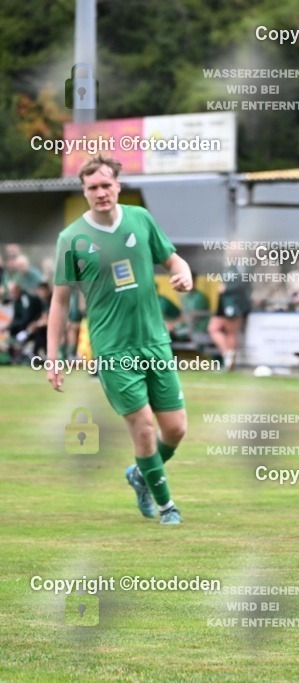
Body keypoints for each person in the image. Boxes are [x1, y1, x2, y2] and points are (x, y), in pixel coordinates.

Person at [47, 154, 192, 525]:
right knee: (143, 427)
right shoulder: (72, 239)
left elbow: (173, 260)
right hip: (112, 349)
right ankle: (166, 507)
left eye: (105, 185)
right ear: (84, 191)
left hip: (155, 342)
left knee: (175, 429)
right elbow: (60, 302)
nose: (100, 193)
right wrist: (53, 358)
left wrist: (184, 275)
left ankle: (140, 475)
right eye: (92, 187)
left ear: (118, 186)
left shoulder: (140, 219)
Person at [209, 251, 251, 371]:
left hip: (233, 304)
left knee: (230, 332)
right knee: (214, 328)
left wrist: (227, 288)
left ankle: (229, 357)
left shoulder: (243, 265)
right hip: (223, 303)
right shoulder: (229, 266)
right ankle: (228, 355)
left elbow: (244, 282)